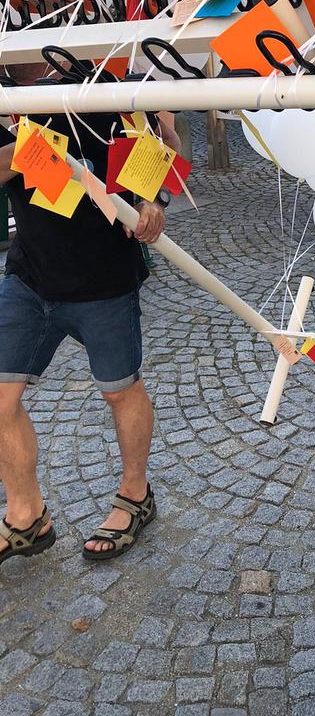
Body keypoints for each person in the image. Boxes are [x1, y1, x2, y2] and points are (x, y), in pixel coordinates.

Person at [0, 61, 168, 566]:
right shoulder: (5, 98)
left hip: (104, 278)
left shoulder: (101, 77)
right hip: (29, 277)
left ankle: (136, 495)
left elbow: (162, 138)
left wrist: (152, 197)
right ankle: (27, 515)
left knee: (120, 391)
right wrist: (30, 145)